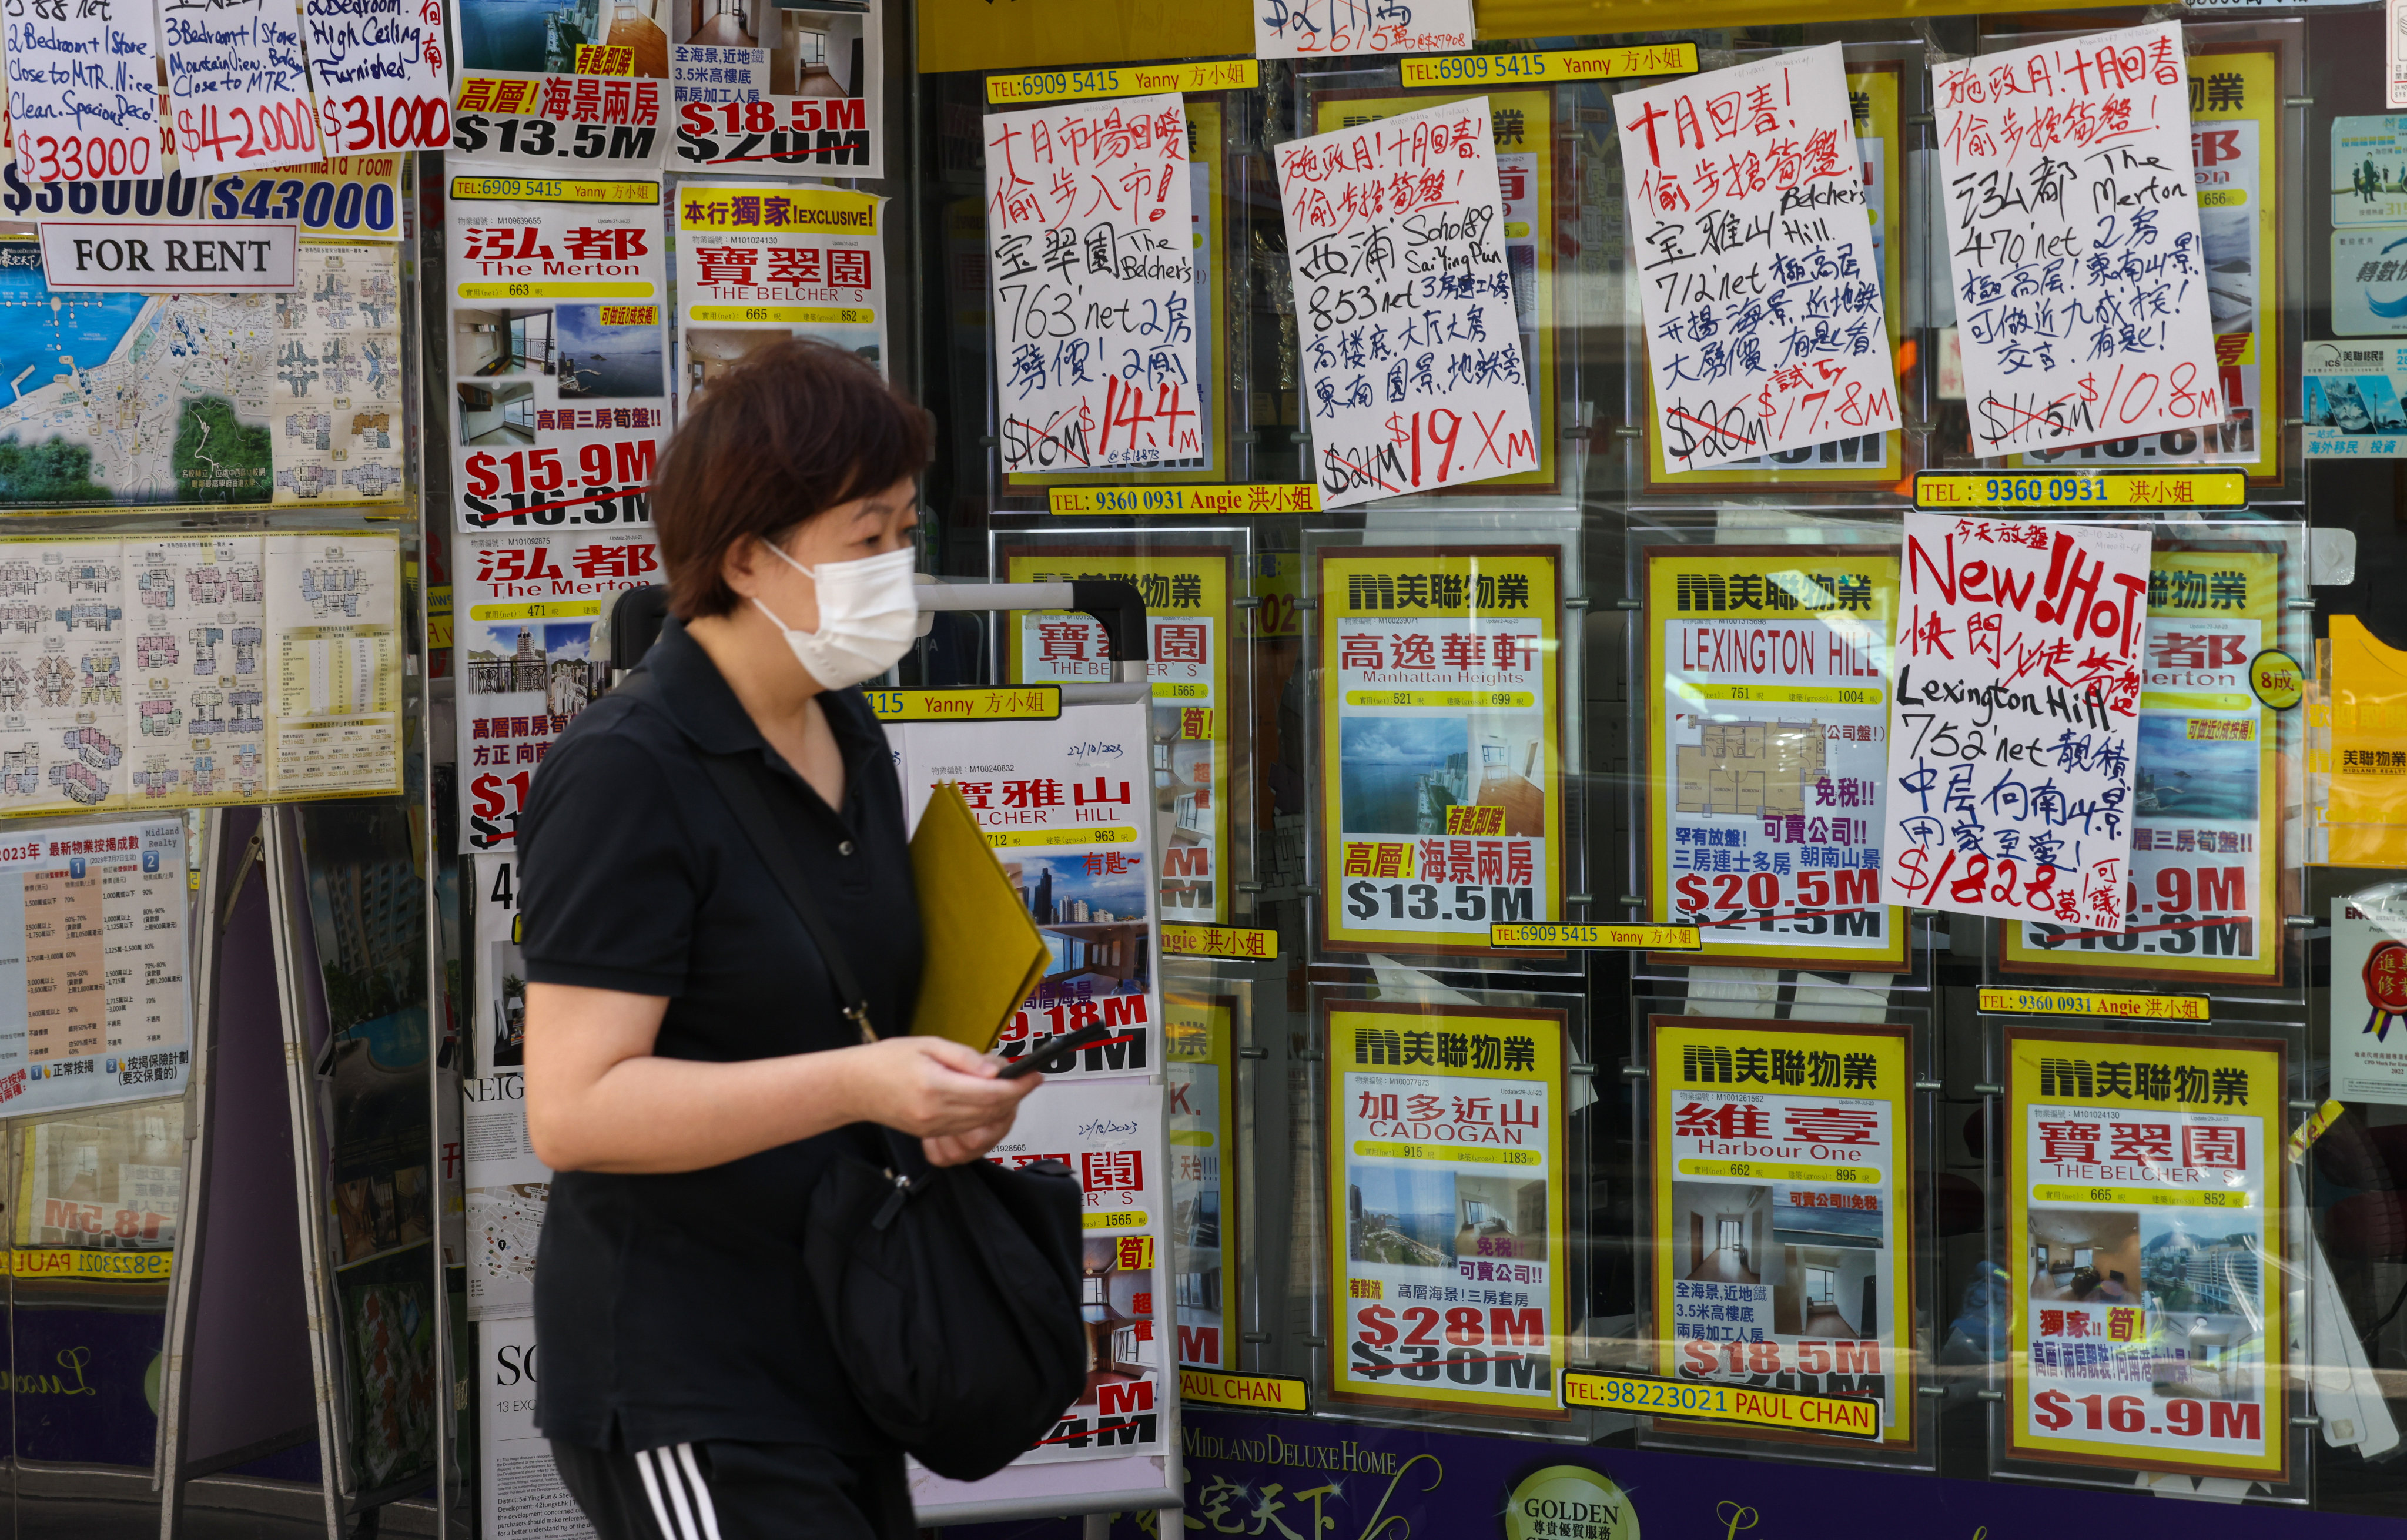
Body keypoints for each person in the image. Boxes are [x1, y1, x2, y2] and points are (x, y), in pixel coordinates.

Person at [516, 339, 1042, 1540]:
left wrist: (937, 1092)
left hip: (841, 1341)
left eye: (907, 530)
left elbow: (841, 1008)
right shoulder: (626, 771)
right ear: (749, 557)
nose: (897, 567)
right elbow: (576, 1107)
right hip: (684, 1370)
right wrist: (861, 1080)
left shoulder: (843, 728)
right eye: (866, 537)